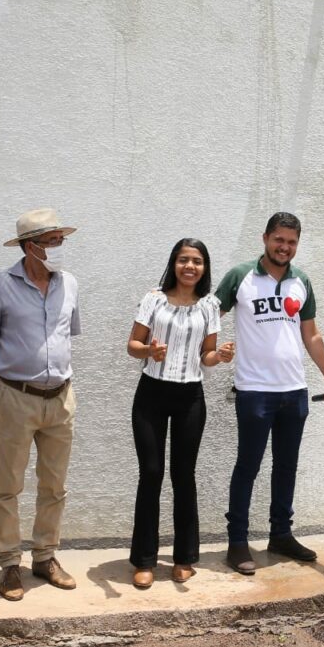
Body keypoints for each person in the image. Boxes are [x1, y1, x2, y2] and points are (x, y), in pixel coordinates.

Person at [216, 212, 324, 575]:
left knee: (286, 467)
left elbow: (311, 335)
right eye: (279, 240)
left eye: (291, 242)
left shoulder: (301, 281)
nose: (284, 247)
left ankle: (281, 535)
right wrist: (209, 352)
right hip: (254, 391)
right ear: (265, 238)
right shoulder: (240, 276)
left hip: (295, 391)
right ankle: (237, 542)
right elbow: (210, 314)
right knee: (248, 467)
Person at [0, 209, 81, 601]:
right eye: (52, 240)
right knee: (7, 486)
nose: (59, 246)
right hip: (16, 398)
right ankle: (8, 563)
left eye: (60, 239)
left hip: (61, 398)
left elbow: (68, 334)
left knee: (54, 485)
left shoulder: (68, 283)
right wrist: (4, 384)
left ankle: (45, 556)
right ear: (29, 246)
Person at [126, 239, 234, 588]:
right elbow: (133, 345)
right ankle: (144, 559)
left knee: (183, 475)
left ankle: (184, 556)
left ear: (205, 267)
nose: (190, 266)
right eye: (184, 260)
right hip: (152, 394)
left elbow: (207, 355)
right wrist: (150, 351)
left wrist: (220, 356)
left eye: (197, 261)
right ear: (174, 263)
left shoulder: (210, 306)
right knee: (151, 473)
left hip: (190, 397)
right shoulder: (153, 299)